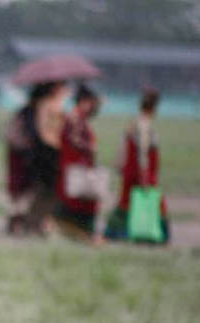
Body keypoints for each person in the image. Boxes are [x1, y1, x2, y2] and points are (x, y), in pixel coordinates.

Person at [104, 89, 170, 242]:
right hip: (141, 172)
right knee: (152, 202)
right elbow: (143, 151)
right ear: (153, 108)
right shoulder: (144, 125)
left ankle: (116, 232)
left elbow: (122, 148)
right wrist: (145, 174)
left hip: (130, 171)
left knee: (125, 201)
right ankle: (153, 233)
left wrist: (120, 165)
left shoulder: (132, 124)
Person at [5, 81, 69, 235]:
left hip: (34, 154)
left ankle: (29, 222)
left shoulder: (33, 109)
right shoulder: (41, 108)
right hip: (39, 155)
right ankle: (29, 222)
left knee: (34, 192)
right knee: (36, 191)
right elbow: (44, 134)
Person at [55, 84, 103, 243]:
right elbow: (74, 139)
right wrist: (89, 147)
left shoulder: (78, 116)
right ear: (83, 101)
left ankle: (77, 232)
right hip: (75, 165)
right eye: (90, 102)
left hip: (76, 164)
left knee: (79, 200)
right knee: (80, 200)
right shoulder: (75, 117)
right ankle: (81, 233)